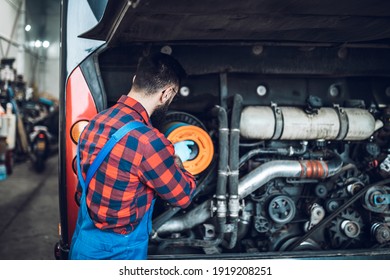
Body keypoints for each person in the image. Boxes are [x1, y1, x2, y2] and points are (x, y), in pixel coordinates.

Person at [69, 52, 197, 260]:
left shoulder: (96, 122)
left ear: (135, 80)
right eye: (171, 96)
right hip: (120, 252)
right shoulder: (148, 142)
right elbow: (182, 196)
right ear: (166, 94)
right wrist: (178, 161)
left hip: (84, 243)